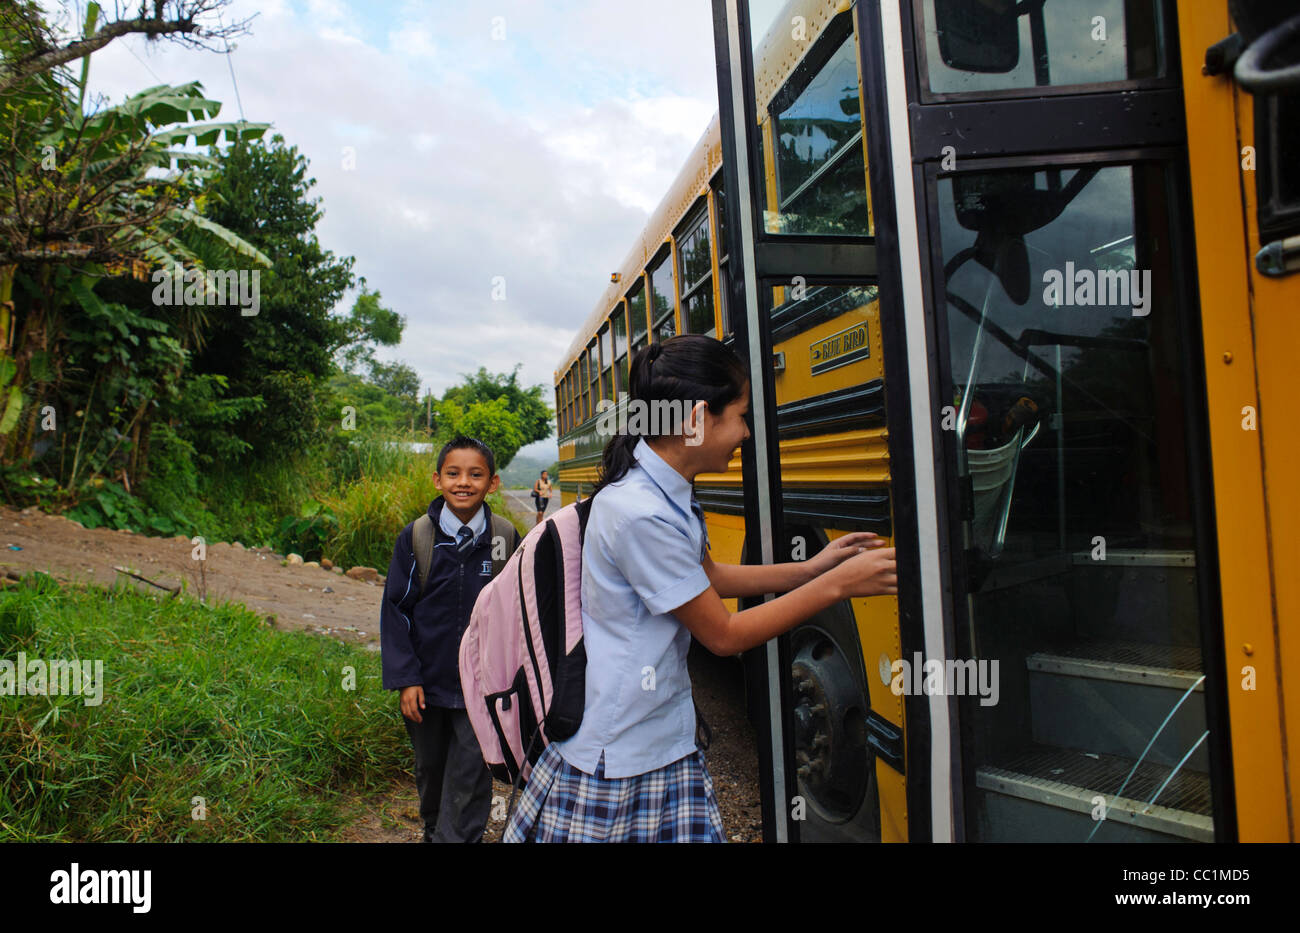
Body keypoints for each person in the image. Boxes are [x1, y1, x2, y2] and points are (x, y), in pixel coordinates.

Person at [504, 336, 897, 843]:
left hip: (658, 733)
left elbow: (708, 578)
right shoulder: (640, 512)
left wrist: (814, 569)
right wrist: (839, 586)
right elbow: (725, 634)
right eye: (738, 415)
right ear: (695, 419)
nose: (746, 432)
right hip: (622, 754)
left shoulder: (668, 491)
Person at [381, 435, 522, 842]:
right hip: (426, 683)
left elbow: (516, 613)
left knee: (471, 774)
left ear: (492, 483)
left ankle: (456, 837)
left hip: (482, 688)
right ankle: (433, 830)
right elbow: (396, 611)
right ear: (437, 480)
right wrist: (407, 678)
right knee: (430, 769)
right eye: (453, 473)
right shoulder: (417, 538)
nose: (464, 482)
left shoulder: (504, 539)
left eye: (475, 474)